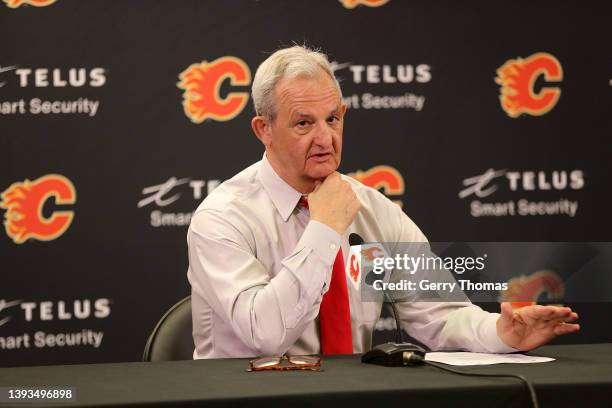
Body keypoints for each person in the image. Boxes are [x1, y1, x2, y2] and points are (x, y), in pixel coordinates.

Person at [187, 45, 579, 359]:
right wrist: (323, 230)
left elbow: (441, 315)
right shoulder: (223, 218)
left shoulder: (374, 211)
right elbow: (265, 335)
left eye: (333, 119)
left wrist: (502, 332)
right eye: (304, 123)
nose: (325, 138)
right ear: (264, 130)